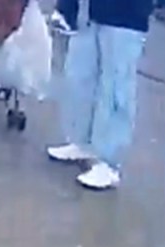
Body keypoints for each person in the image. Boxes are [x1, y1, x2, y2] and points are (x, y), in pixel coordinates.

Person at [45, 0, 151, 192]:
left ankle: (108, 163)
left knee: (115, 86)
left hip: (126, 17)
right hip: (89, 11)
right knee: (80, 76)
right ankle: (81, 142)